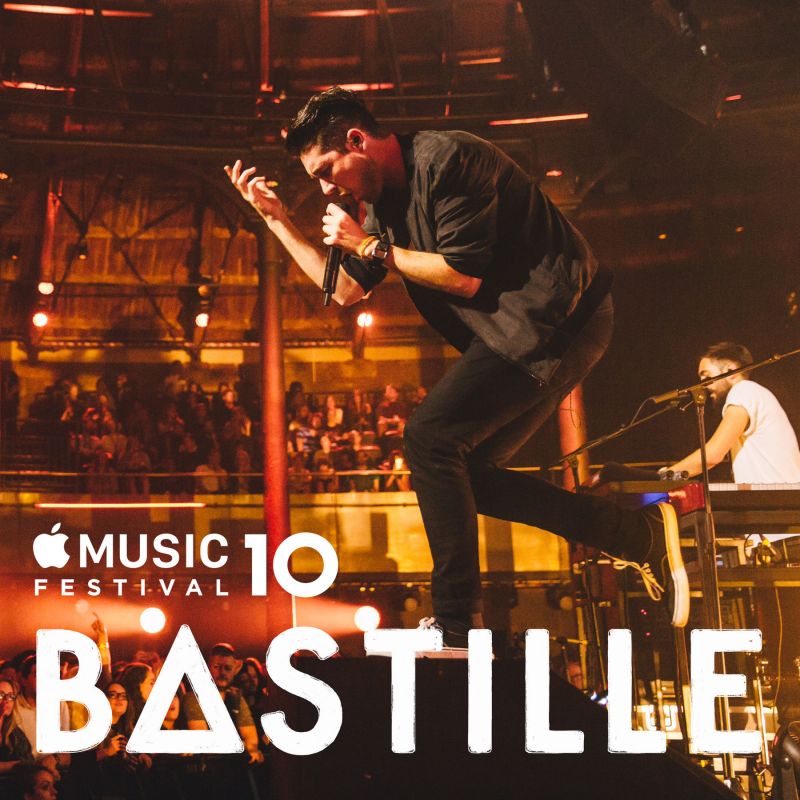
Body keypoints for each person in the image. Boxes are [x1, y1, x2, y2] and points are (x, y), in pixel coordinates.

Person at [226, 87, 679, 648]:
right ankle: (636, 535)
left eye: (325, 171)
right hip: (524, 332)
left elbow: (463, 277)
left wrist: (369, 247)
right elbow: (343, 290)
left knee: (430, 438)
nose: (324, 188)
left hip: (559, 317)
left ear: (356, 140)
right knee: (469, 475)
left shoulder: (450, 159)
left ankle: (458, 620)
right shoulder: (378, 204)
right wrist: (276, 220)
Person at [666, 342, 800, 484]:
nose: (703, 385)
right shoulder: (753, 393)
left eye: (706, 376)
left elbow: (713, 455)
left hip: (777, 496)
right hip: (777, 494)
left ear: (730, 371)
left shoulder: (743, 390)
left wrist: (666, 476)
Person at [182, 643, 263, 765]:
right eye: (217, 667)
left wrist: (249, 748)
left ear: (235, 670)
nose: (222, 672)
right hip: (203, 770)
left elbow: (251, 740)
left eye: (227, 668)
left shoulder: (236, 698)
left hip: (230, 768)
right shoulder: (194, 697)